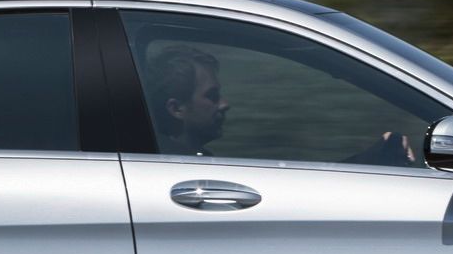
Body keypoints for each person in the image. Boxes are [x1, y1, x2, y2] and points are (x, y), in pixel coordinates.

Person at [141, 39, 425, 168]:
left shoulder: (190, 162)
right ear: (176, 108)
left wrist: (371, 159)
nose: (225, 104)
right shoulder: (184, 171)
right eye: (212, 96)